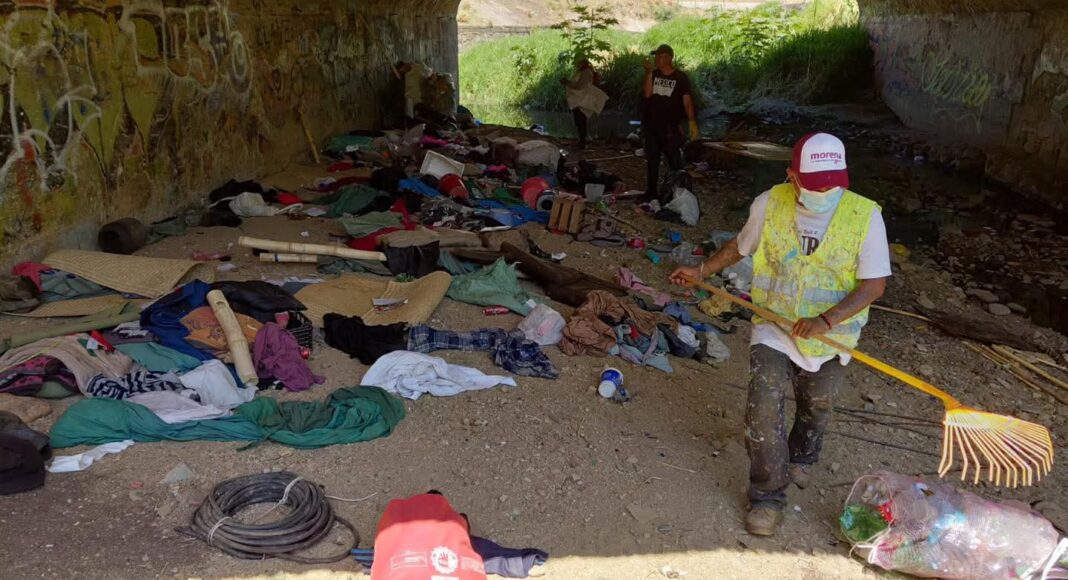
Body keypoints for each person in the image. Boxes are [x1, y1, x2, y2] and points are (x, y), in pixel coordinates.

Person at [669, 133, 891, 537]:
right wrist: (702, 272)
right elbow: (740, 247)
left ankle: (803, 454)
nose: (826, 191)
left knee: (817, 402)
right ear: (792, 176)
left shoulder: (865, 216)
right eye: (815, 183)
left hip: (831, 338)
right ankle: (767, 498)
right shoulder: (769, 204)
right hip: (773, 325)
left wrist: (825, 321)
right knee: (764, 406)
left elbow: (874, 284)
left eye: (832, 182)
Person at [642, 44, 699, 203]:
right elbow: (647, 94)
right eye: (656, 56)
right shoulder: (654, 74)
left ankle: (678, 189)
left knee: (674, 160)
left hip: (670, 127)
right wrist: (648, 73)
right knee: (652, 159)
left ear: (668, 58)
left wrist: (692, 122)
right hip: (652, 125)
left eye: (659, 56)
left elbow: (687, 101)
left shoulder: (680, 78)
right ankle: (651, 191)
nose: (656, 59)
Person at [560, 59, 608, 149]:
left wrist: (567, 82)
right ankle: (581, 140)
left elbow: (579, 85)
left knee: (581, 121)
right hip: (580, 99)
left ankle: (582, 142)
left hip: (584, 99)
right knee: (579, 121)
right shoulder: (580, 72)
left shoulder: (586, 72)